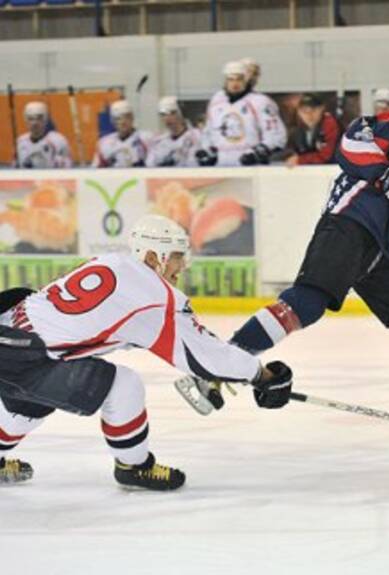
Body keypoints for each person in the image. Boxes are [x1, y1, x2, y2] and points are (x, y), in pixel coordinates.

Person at [221, 90, 389, 469]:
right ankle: (222, 362)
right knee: (307, 302)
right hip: (350, 219)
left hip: (383, 248)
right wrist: (388, 172)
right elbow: (351, 144)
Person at [0, 214, 294, 489]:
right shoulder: (153, 295)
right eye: (177, 256)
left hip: (10, 337)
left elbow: (111, 325)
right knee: (123, 385)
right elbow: (206, 357)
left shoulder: (111, 262)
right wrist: (262, 376)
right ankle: (134, 466)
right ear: (153, 257)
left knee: (29, 403)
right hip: (27, 356)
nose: (183, 265)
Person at [198, 61, 287, 167]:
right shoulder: (216, 102)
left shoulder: (260, 101)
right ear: (225, 81)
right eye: (231, 79)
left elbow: (276, 135)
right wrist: (207, 151)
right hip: (222, 166)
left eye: (239, 79)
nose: (235, 84)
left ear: (246, 80)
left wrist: (259, 152)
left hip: (251, 167)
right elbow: (208, 132)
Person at [283, 93, 341, 167]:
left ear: (321, 109)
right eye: (304, 111)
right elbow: (289, 151)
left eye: (313, 110)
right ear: (298, 112)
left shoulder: (329, 123)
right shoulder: (298, 129)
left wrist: (300, 160)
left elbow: (326, 156)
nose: (309, 115)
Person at [92, 100, 153, 168]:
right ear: (112, 121)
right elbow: (95, 170)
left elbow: (154, 166)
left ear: (132, 118)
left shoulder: (146, 139)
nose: (123, 122)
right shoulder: (104, 143)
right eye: (118, 119)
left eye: (126, 117)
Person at [146, 96, 202, 167]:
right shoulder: (158, 142)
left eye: (172, 113)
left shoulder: (198, 136)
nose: (167, 118)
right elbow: (150, 165)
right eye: (163, 114)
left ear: (180, 114)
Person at [15, 101, 73, 169]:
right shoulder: (20, 142)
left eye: (39, 118)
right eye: (30, 118)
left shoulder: (58, 141)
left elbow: (67, 167)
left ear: (45, 119)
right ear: (25, 120)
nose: (35, 123)